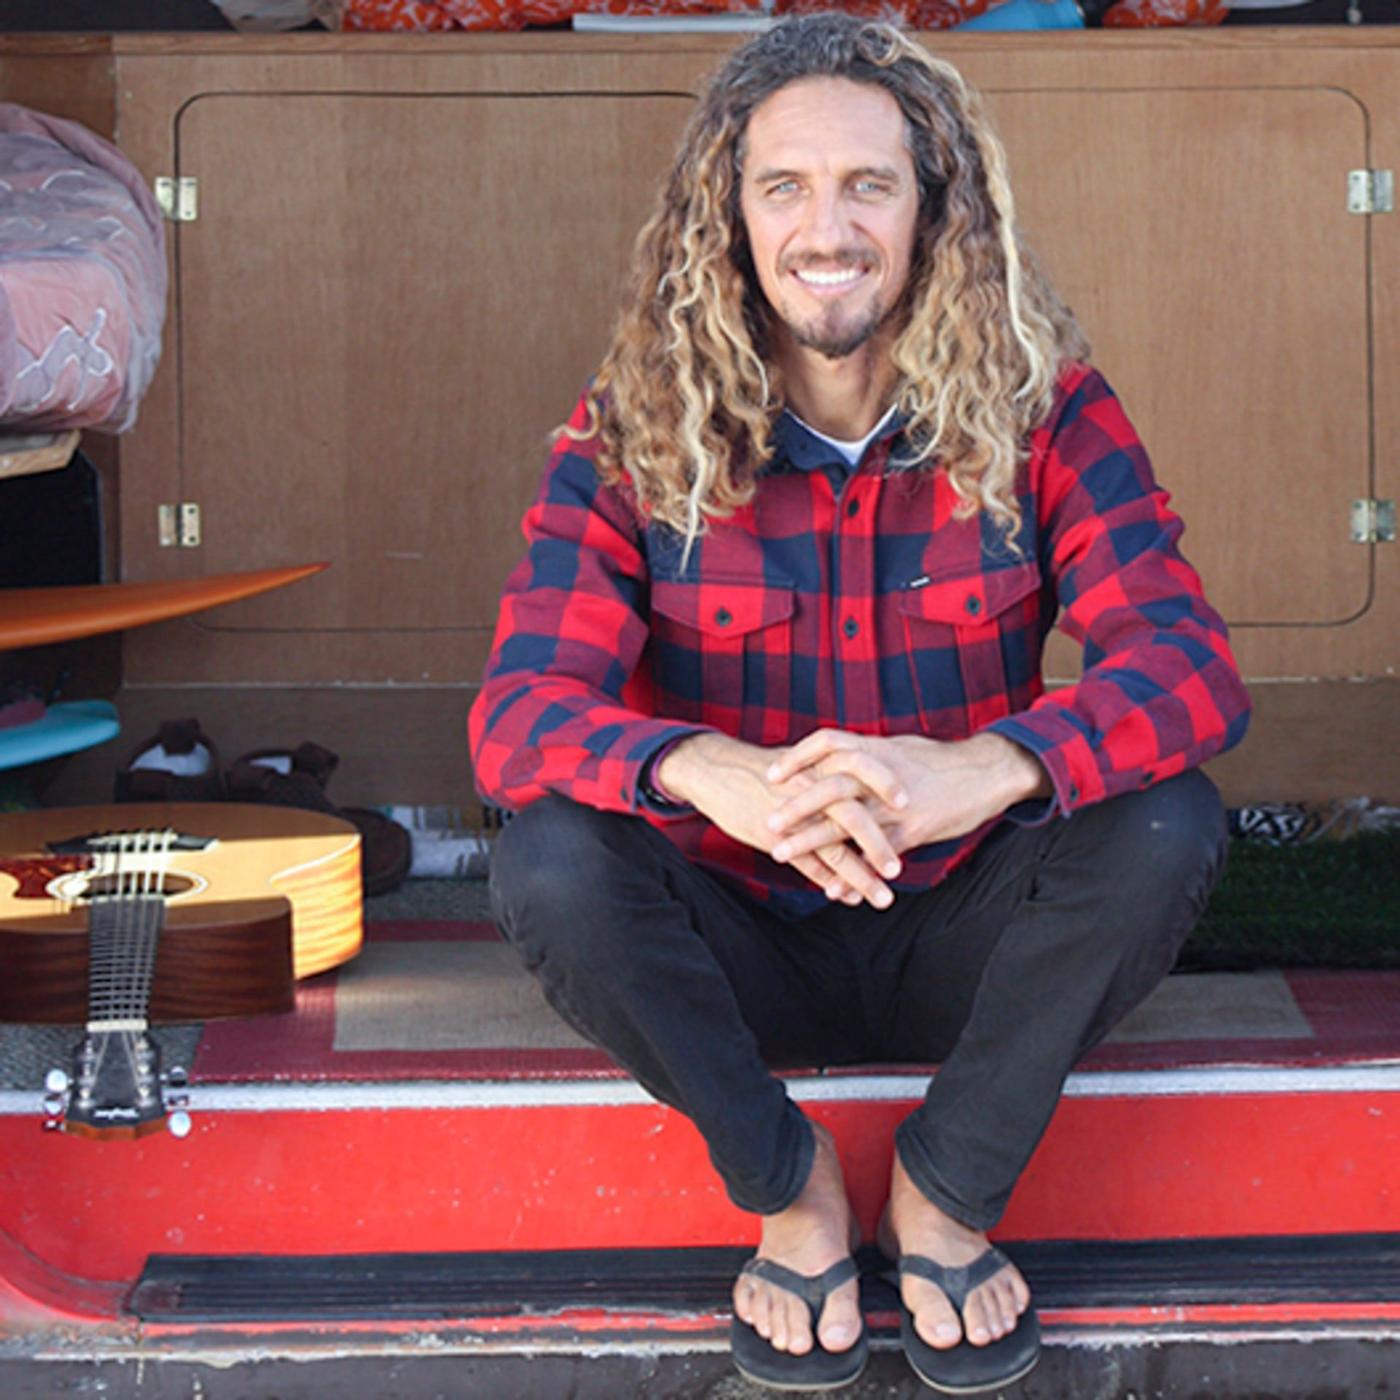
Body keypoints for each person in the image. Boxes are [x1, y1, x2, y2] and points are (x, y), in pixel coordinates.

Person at [469, 12, 1250, 1393]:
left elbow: (1187, 671)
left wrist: (990, 766)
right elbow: (520, 713)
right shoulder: (631, 428)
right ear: (730, 215)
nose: (825, 228)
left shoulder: (1046, 411)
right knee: (549, 850)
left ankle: (946, 1195)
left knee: (1163, 822)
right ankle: (793, 1196)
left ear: (933, 209)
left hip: (962, 939)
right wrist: (712, 771)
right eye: (785, 187)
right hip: (736, 950)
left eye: (867, 185)